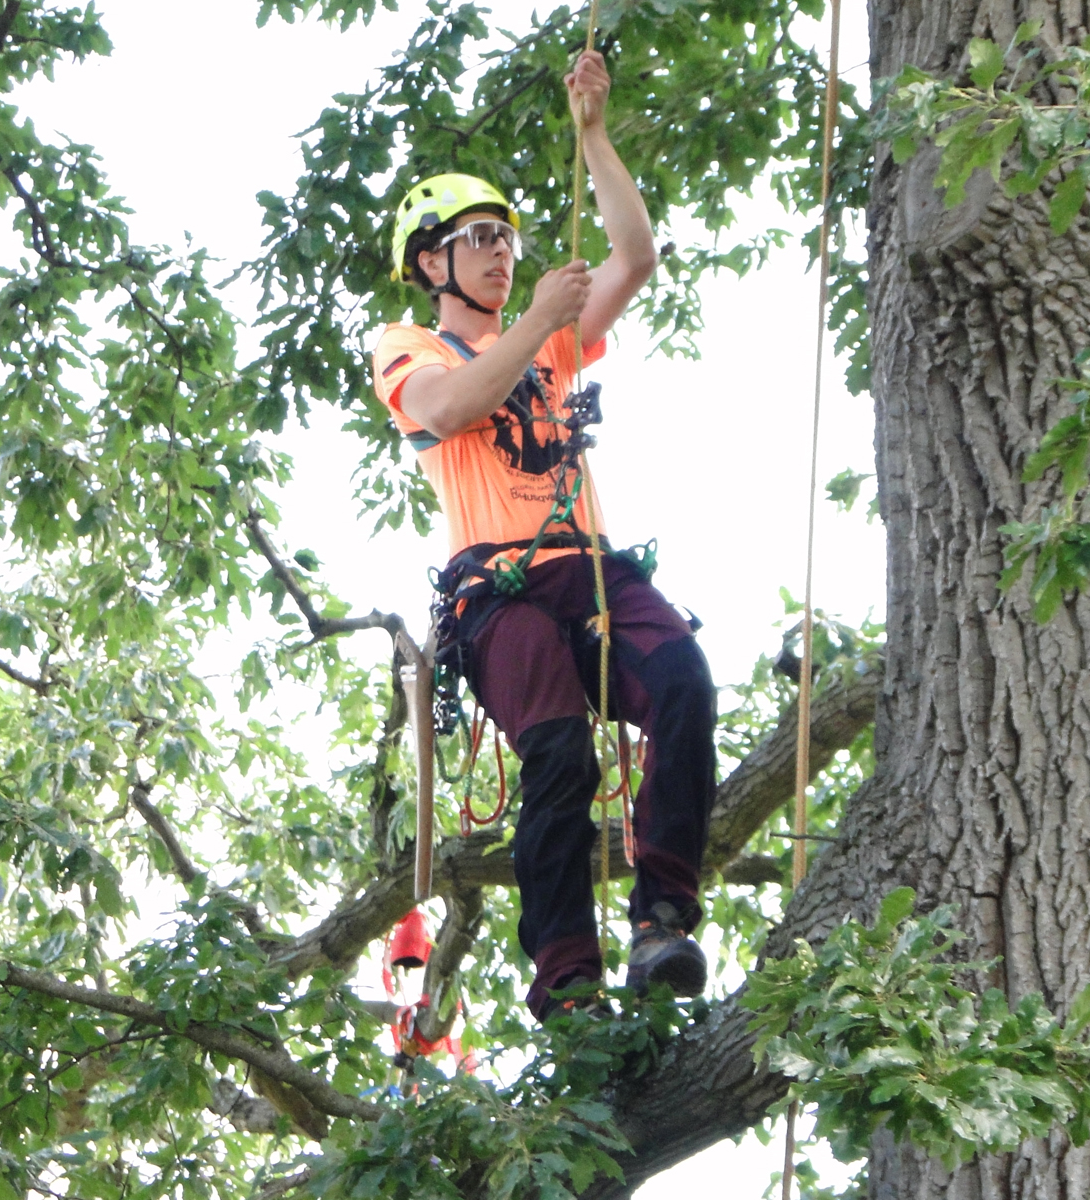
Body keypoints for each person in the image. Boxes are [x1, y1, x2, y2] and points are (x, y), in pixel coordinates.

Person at [373, 51, 717, 1022]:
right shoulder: (413, 346)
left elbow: (635, 255)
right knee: (560, 750)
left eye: (509, 238)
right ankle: (568, 977)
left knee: (685, 682)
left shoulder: (551, 335)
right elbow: (446, 411)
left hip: (593, 574)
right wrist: (535, 320)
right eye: (480, 238)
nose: (502, 251)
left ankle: (662, 920)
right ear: (432, 261)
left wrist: (595, 136)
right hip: (500, 589)